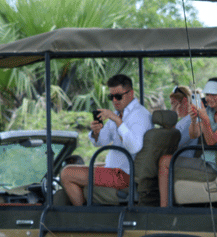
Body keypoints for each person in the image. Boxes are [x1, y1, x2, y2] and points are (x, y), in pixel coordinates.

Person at [61, 74, 152, 206]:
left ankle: (81, 217)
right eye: (111, 97)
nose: (115, 100)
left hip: (125, 174)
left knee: (67, 173)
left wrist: (117, 121)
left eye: (118, 96)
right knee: (80, 168)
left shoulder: (139, 115)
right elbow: (101, 142)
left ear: (130, 93)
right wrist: (96, 132)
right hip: (116, 169)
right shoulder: (118, 113)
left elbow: (134, 147)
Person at [157, 78, 217, 207]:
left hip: (214, 165)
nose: (209, 98)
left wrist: (205, 119)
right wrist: (194, 119)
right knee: (165, 159)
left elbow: (212, 141)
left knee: (164, 161)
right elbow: (194, 134)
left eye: (213, 95)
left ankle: (164, 209)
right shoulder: (211, 111)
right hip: (205, 159)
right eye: (207, 95)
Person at [156, 85, 201, 207]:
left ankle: (164, 206)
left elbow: (173, 142)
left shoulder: (190, 121)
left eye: (174, 104)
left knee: (163, 160)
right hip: (177, 155)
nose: (173, 107)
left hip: (183, 157)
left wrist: (172, 114)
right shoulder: (182, 121)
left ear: (185, 101)